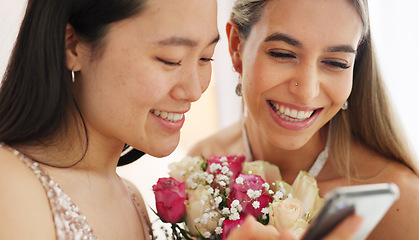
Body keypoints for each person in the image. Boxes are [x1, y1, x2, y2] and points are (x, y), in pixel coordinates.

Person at [189, 0, 419, 239]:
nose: (307, 91)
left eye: (335, 63)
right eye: (282, 54)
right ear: (236, 47)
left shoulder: (400, 203)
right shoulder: (200, 167)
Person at [0, 0, 219, 239]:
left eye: (206, 58)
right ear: (72, 46)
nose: (195, 91)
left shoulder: (131, 200)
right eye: (170, 59)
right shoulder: (10, 186)